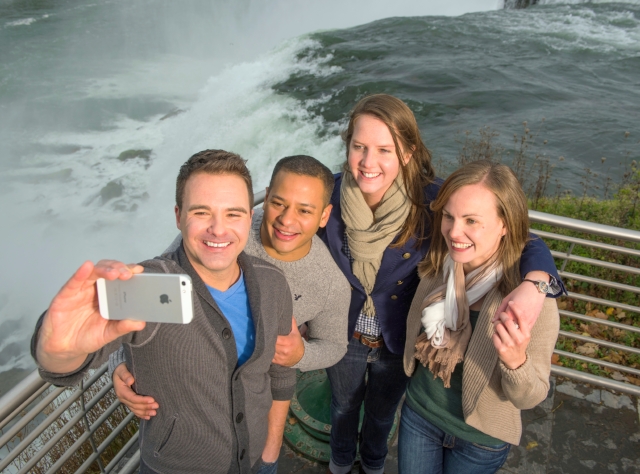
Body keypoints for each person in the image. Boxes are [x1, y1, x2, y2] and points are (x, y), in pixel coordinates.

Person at [317, 94, 563, 474]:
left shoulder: (433, 201)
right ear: (347, 145)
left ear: (408, 152)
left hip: (397, 341)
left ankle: (373, 464)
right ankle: (340, 462)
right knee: (343, 407)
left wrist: (537, 282)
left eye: (385, 149)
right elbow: (280, 225)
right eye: (359, 146)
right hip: (344, 332)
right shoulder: (325, 196)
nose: (368, 162)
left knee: (382, 416)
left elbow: (518, 235)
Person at [31, 150, 297, 474]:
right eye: (202, 212)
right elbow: (68, 363)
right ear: (178, 215)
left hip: (257, 462)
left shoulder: (271, 283)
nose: (218, 229)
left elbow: (280, 371)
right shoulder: (145, 285)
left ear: (249, 216)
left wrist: (270, 451)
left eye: (233, 214)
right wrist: (56, 347)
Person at [108, 155, 351, 473]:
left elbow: (333, 345)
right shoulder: (219, 234)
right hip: (182, 444)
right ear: (264, 199)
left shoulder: (329, 283)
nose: (286, 221)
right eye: (278, 203)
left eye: (305, 210)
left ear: (324, 216)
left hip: (253, 433)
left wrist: (300, 354)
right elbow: (154, 286)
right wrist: (120, 366)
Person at [398, 160, 560, 473]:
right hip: (419, 415)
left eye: (472, 220)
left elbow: (530, 397)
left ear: (505, 225)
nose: (454, 232)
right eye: (448, 216)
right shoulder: (436, 266)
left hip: (479, 440)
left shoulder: (527, 299)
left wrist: (516, 362)